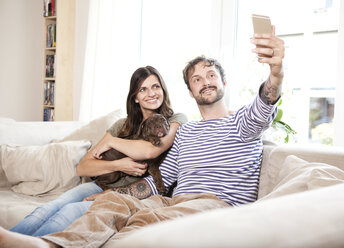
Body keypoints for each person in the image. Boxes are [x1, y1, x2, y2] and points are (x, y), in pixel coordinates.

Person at [0, 28, 284, 248]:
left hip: (215, 205)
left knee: (148, 221)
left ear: (224, 82)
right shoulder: (186, 133)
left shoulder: (242, 122)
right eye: (196, 79)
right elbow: (154, 182)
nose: (205, 81)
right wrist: (109, 194)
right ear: (190, 91)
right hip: (174, 202)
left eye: (211, 75)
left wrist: (275, 71)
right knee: (111, 205)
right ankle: (50, 243)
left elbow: (265, 103)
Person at [8, 66, 187, 236]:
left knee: (69, 212)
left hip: (128, 194)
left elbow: (151, 151)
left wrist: (112, 142)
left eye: (156, 86)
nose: (151, 93)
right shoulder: (121, 126)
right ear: (135, 98)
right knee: (44, 210)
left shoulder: (175, 119)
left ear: (163, 89)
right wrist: (119, 164)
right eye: (143, 89)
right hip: (99, 184)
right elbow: (83, 168)